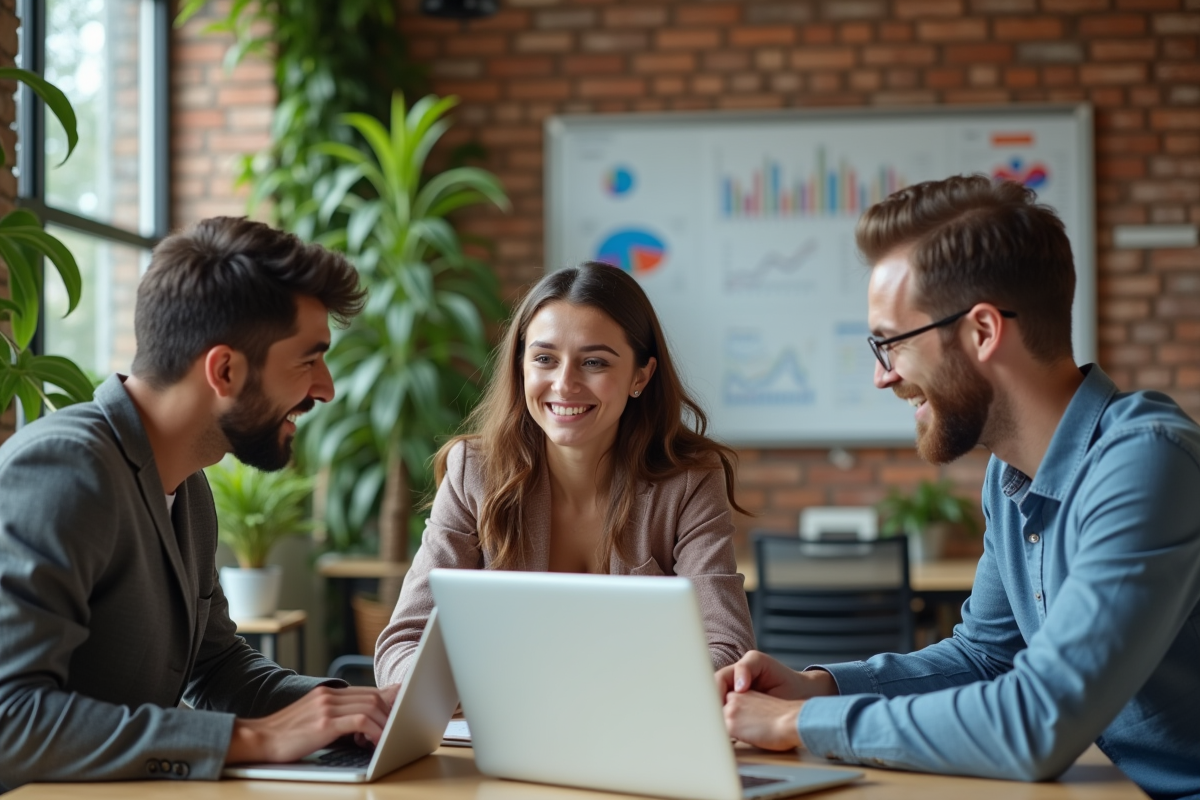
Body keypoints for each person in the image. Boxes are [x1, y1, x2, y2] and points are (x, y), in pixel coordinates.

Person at [718, 175, 1200, 800]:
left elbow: (1037, 723)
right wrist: (821, 688)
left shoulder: (1145, 462)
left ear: (981, 332)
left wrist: (800, 723)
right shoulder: (1011, 475)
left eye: (890, 342)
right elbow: (985, 657)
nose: (881, 376)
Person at [0, 217, 399, 791]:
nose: (326, 387)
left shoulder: (187, 483)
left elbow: (213, 666)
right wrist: (259, 740)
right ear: (225, 370)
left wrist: (344, 708)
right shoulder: (64, 469)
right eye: (309, 360)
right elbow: (10, 720)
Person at [375, 262, 755, 685]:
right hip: (499, 735)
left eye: (594, 362)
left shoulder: (687, 481)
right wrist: (460, 691)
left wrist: (600, 691)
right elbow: (403, 643)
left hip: (633, 733)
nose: (564, 384)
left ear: (640, 376)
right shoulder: (474, 472)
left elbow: (727, 646)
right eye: (544, 359)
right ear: (522, 367)